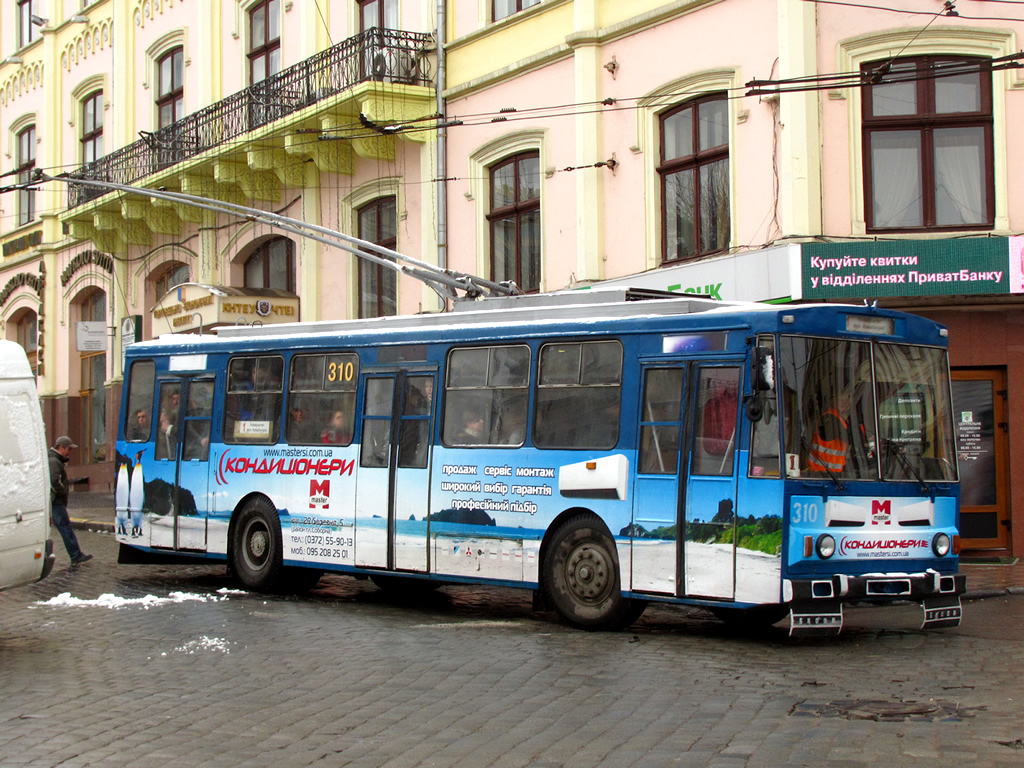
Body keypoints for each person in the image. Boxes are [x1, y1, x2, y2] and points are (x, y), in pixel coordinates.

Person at [48, 436, 92, 565]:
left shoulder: (54, 460)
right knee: (65, 527)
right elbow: (54, 482)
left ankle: (76, 554)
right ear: (61, 447)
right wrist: (62, 492)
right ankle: (75, 555)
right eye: (68, 449)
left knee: (64, 527)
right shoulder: (54, 461)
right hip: (56, 501)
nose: (69, 452)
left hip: (55, 500)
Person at [807, 389, 854, 475]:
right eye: (841, 400)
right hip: (821, 473)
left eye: (847, 399)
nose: (846, 403)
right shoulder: (830, 418)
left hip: (832, 473)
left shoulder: (840, 418)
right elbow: (851, 438)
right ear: (833, 401)